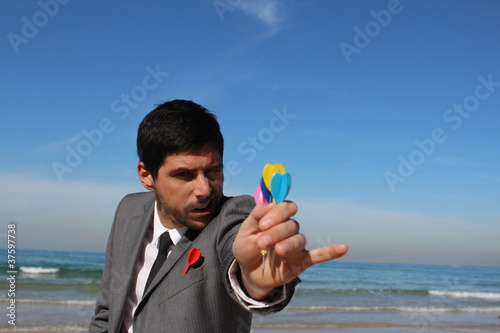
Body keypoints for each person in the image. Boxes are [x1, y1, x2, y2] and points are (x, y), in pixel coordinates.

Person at [89, 99, 348, 333]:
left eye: (213, 172)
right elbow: (108, 311)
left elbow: (237, 251)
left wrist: (256, 283)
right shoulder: (128, 210)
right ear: (146, 175)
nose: (204, 190)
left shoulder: (232, 214)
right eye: (184, 175)